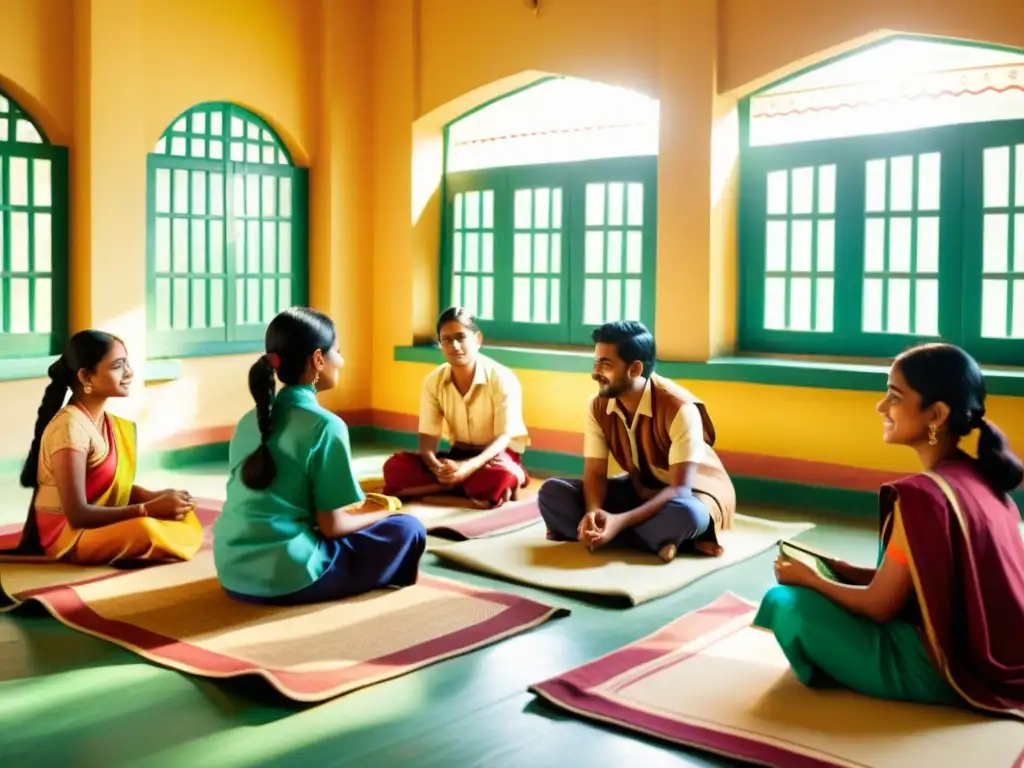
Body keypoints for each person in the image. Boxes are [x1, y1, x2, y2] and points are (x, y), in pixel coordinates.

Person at [755, 343, 1024, 716]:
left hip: (940, 668)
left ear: (937, 415)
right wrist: (841, 568)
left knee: (783, 603)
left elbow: (880, 606)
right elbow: (928, 580)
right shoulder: (982, 477)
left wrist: (809, 579)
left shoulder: (922, 497)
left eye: (894, 397)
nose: (882, 407)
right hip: (992, 656)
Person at [214, 307, 427, 605]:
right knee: (408, 528)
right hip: (289, 575)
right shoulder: (327, 425)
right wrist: (387, 514)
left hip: (231, 571)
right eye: (337, 351)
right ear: (318, 359)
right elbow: (333, 526)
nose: (341, 361)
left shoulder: (248, 421)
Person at [537, 321, 736, 562]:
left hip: (690, 493)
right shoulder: (598, 405)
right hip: (640, 491)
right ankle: (658, 540)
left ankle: (628, 535)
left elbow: (678, 489)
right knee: (553, 493)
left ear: (635, 369)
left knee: (690, 515)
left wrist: (619, 521)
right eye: (596, 362)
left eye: (606, 364)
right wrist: (593, 514)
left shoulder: (680, 409)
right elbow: (595, 473)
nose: (595, 372)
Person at [4, 330, 201, 565]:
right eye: (118, 365)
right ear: (86, 377)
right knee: (146, 529)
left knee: (184, 517)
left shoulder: (108, 423)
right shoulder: (69, 428)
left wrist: (156, 497)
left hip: (96, 522)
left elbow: (111, 488)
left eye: (127, 363)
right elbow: (77, 514)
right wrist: (147, 509)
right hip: (68, 534)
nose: (129, 373)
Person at [382, 306, 531, 508]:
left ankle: (511, 474)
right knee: (394, 466)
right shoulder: (433, 381)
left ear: (477, 340)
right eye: (447, 339)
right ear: (440, 344)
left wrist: (466, 469)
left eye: (461, 337)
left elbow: (503, 439)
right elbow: (427, 445)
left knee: (499, 477)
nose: (455, 345)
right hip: (457, 454)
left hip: (496, 456)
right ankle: (455, 486)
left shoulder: (502, 378)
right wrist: (438, 469)